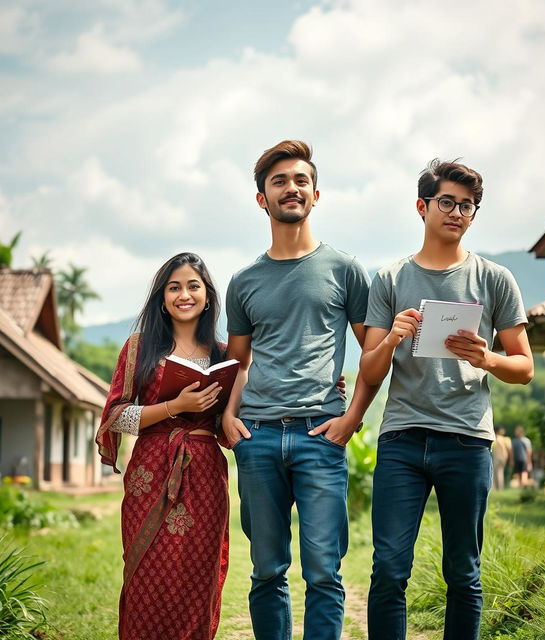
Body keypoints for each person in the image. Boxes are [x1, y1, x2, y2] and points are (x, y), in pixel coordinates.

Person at [360, 159, 534, 640]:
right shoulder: (391, 279)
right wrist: (392, 339)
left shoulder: (495, 279)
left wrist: (487, 359)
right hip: (402, 440)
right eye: (447, 202)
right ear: (422, 207)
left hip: (467, 440)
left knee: (464, 572)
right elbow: (369, 371)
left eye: (468, 206)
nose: (458, 212)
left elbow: (525, 367)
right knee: (390, 570)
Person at [222, 140, 378, 640]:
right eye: (279, 182)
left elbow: (372, 353)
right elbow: (237, 361)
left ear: (316, 193)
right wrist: (228, 416)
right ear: (261, 199)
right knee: (266, 571)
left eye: (300, 180)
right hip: (259, 437)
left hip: (320, 436)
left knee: (324, 574)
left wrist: (353, 417)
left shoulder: (346, 270)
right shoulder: (243, 281)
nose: (292, 188)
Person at [95, 252, 230, 640]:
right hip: (150, 472)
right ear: (162, 297)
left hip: (205, 474)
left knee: (197, 576)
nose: (183, 294)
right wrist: (174, 407)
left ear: (207, 296)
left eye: (193, 286)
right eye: (174, 287)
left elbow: (231, 421)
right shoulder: (140, 347)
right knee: (145, 573)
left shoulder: (223, 354)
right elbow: (116, 416)